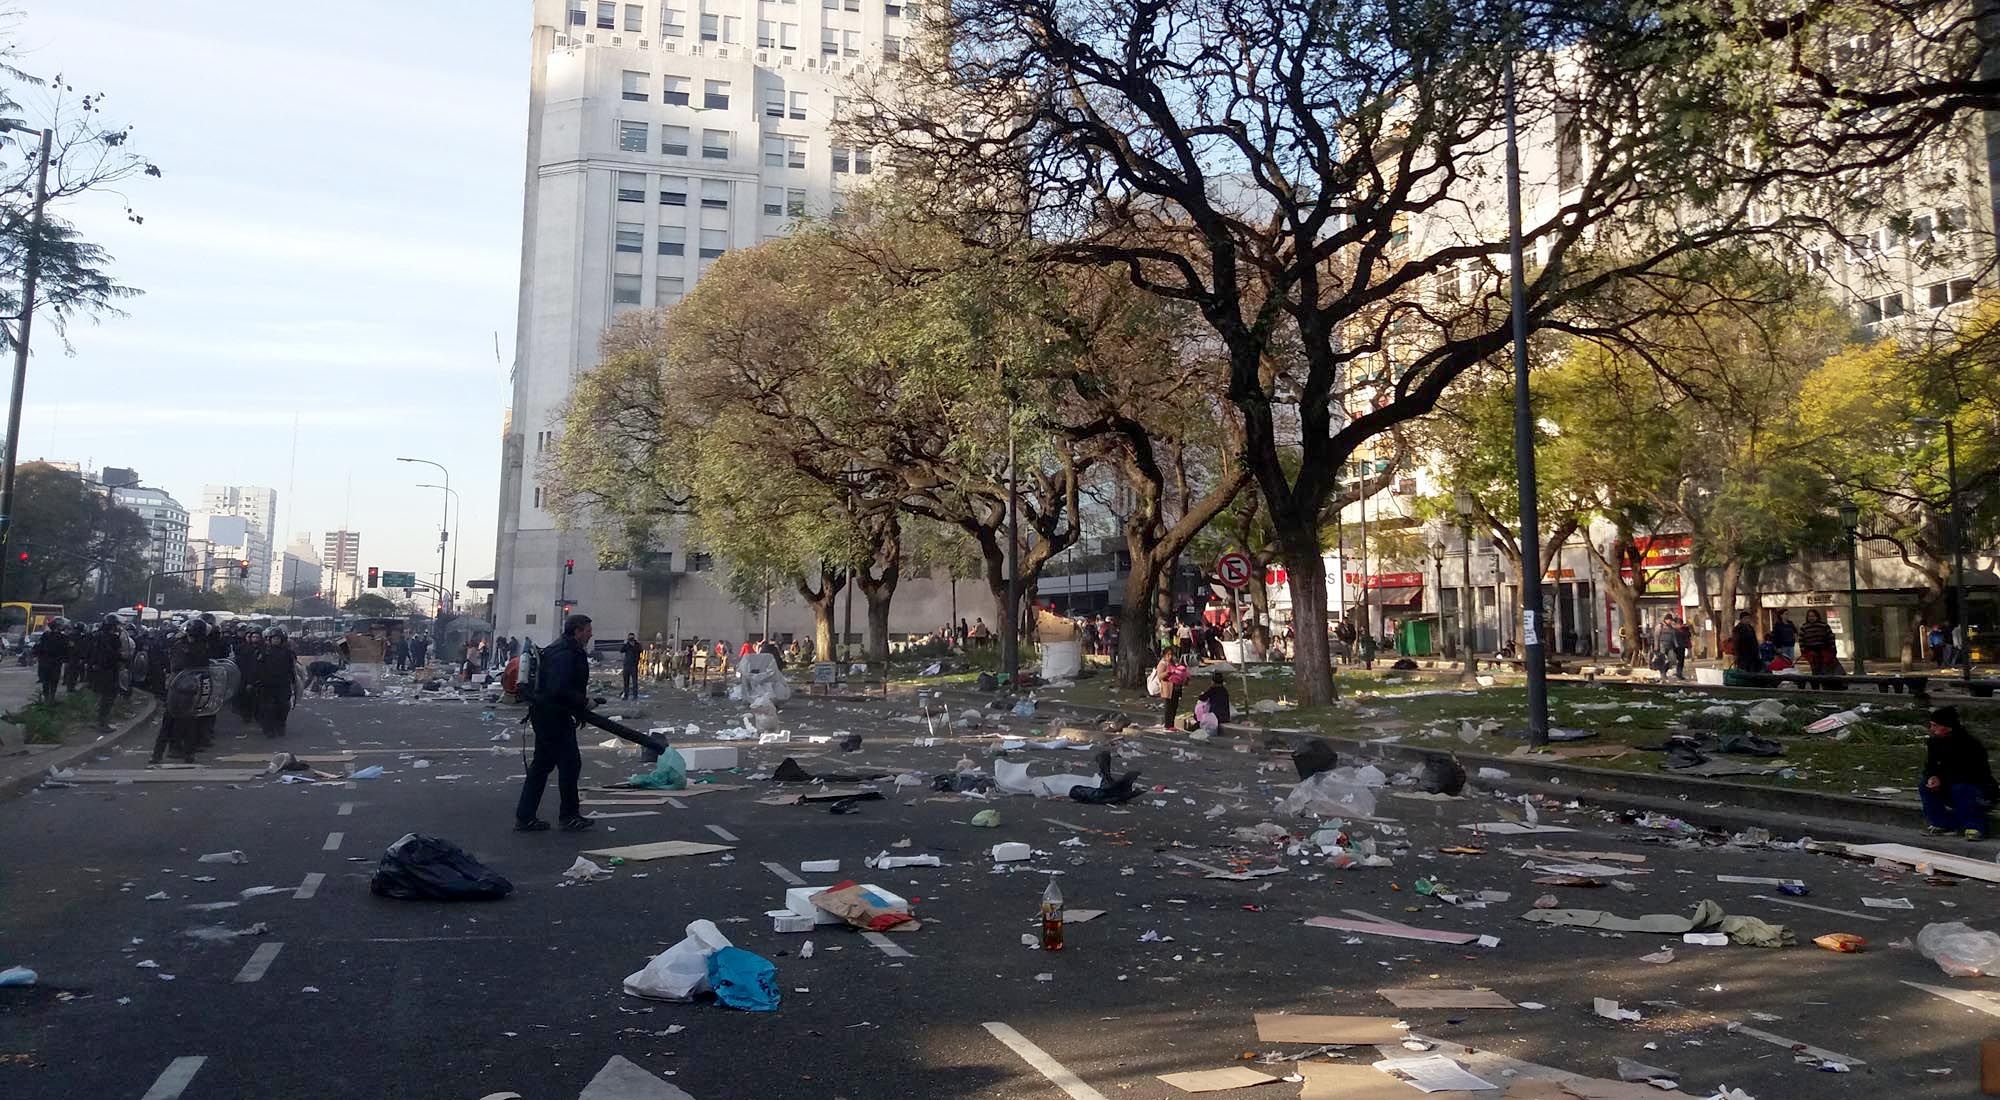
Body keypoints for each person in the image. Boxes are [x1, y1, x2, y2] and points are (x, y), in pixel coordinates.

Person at [515, 613, 598, 833]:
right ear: (577, 631)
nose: (590, 634)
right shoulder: (565, 653)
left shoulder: (565, 649)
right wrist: (583, 702)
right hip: (552, 715)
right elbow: (558, 688)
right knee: (570, 764)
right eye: (588, 630)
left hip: (548, 714)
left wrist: (580, 708)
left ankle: (525, 817)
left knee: (542, 766)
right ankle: (568, 816)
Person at [1920, 706, 1996, 841]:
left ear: (1947, 727)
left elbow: (1974, 774)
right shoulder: (1934, 742)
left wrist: (1943, 780)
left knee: (1962, 788)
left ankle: (1975, 827)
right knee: (1925, 785)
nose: (1932, 729)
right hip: (1948, 785)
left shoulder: (1970, 744)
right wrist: (1933, 776)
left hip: (1976, 788)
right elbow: (1931, 765)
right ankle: (1940, 823)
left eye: (1935, 726)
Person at [256, 627, 299, 737]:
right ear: (269, 639)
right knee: (267, 708)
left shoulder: (288, 653)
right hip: (267, 684)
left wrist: (294, 683)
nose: (276, 640)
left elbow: (293, 669)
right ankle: (268, 729)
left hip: (283, 683)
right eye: (274, 638)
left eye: (278, 638)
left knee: (284, 706)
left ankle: (281, 724)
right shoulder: (264, 652)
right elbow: (257, 668)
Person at [86, 615, 126, 731]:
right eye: (117, 625)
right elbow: (112, 655)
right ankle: (103, 723)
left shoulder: (96, 636)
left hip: (97, 671)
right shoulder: (113, 639)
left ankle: (100, 721)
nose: (119, 627)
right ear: (112, 626)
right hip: (109, 671)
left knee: (102, 697)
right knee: (108, 698)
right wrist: (121, 657)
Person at [31, 619, 69, 704]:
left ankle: (48, 698)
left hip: (47, 662)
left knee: (47, 681)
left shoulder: (46, 636)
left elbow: (38, 647)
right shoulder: (63, 637)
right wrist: (66, 660)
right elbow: (66, 651)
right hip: (55, 663)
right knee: (53, 681)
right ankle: (50, 697)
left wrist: (36, 655)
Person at [1153, 646, 1186, 731]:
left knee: (1174, 706)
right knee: (1169, 708)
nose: (1170, 656)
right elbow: (1160, 676)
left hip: (1176, 688)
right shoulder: (1162, 664)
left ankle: (1172, 724)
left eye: (1171, 654)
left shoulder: (1173, 663)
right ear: (1164, 655)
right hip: (1168, 689)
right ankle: (1168, 725)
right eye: (1168, 655)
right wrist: (1168, 672)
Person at [1797, 609, 1837, 675]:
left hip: (1823, 650)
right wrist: (1803, 651)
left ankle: (1824, 683)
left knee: (1824, 669)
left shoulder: (1824, 626)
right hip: (1811, 652)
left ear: (1817, 616)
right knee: (1814, 669)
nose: (1811, 618)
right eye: (1809, 616)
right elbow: (1801, 640)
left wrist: (1833, 649)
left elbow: (1831, 637)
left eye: (1813, 616)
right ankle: (1815, 684)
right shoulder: (1804, 627)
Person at [619, 631, 643, 699]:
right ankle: (626, 695)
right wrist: (627, 644)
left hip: (634, 665)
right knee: (626, 681)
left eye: (632, 637)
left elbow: (640, 651)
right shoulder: (626, 645)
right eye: (630, 637)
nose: (631, 639)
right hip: (626, 665)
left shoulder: (637, 645)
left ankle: (635, 695)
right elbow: (621, 650)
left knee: (634, 681)